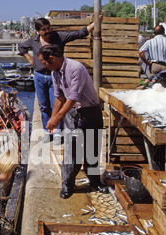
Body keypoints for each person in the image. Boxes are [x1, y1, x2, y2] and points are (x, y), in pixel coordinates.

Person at [39, 44, 108, 199]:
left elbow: (73, 97)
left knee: (92, 149)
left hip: (90, 111)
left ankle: (95, 181)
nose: (44, 66)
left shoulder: (75, 68)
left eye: (44, 62)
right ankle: (68, 184)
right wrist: (53, 117)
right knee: (72, 150)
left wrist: (57, 118)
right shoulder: (54, 73)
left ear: (52, 59)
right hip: (72, 113)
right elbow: (60, 97)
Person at [18, 16, 101, 143]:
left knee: (55, 103)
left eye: (48, 28)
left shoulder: (59, 40)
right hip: (40, 76)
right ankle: (48, 131)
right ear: (38, 31)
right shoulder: (33, 41)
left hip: (56, 77)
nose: (47, 31)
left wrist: (95, 23)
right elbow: (21, 48)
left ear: (52, 58)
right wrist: (30, 60)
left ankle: (57, 132)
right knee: (44, 106)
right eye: (44, 29)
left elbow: (77, 34)